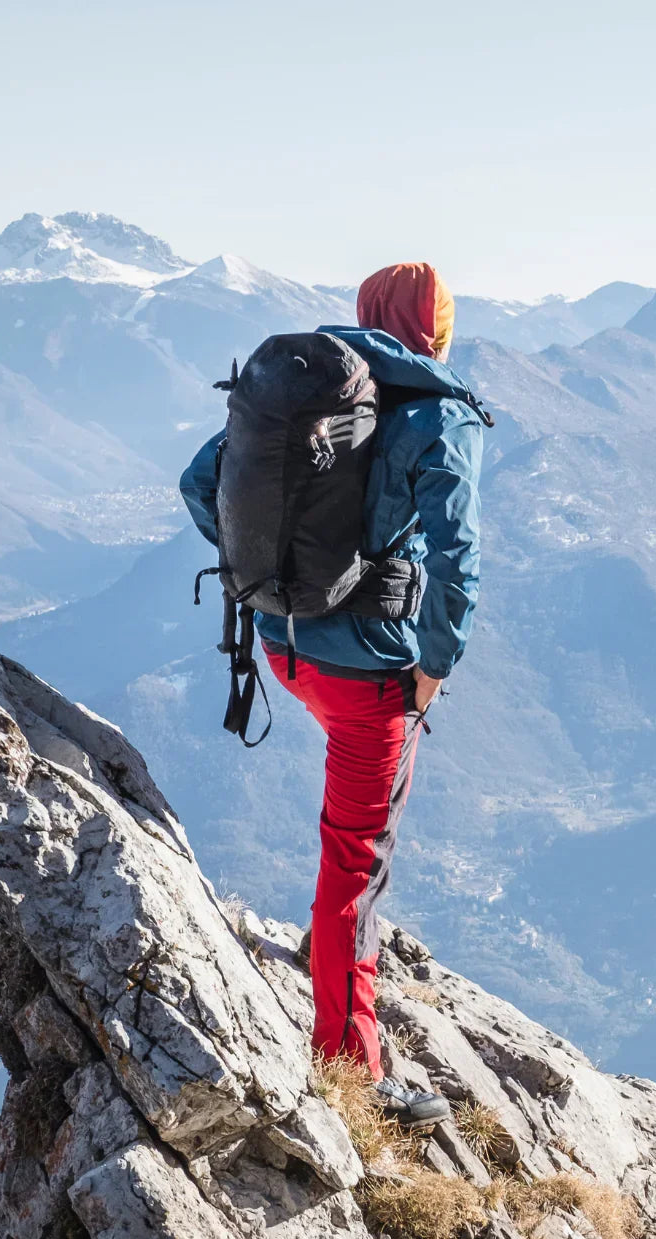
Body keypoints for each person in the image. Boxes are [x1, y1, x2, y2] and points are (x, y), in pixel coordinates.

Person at [181, 262, 486, 1128]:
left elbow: (199, 483)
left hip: (281, 651)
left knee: (351, 847)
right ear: (438, 332)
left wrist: (269, 583)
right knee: (355, 856)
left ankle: (333, 955)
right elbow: (458, 559)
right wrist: (435, 662)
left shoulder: (297, 390)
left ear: (367, 317)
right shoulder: (437, 415)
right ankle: (353, 1070)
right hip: (369, 676)